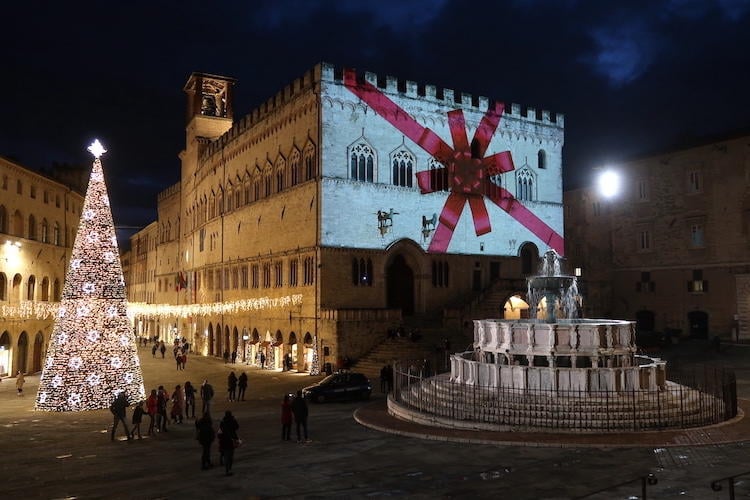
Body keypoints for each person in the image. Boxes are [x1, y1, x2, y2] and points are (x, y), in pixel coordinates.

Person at [218, 410, 239, 476]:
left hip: (224, 441)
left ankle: (227, 469)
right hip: (231, 440)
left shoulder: (223, 422)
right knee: (230, 456)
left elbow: (219, 432)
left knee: (226, 455)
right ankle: (228, 469)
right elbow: (237, 427)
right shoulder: (232, 421)